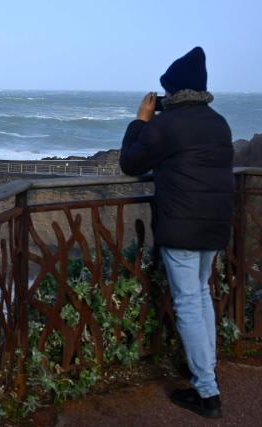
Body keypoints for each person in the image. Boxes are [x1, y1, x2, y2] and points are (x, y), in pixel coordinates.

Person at [119, 46, 234, 419]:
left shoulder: (165, 125)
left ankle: (207, 393)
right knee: (200, 297)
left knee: (188, 303)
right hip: (215, 226)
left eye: (166, 90)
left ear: (174, 92)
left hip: (182, 228)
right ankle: (206, 369)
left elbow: (131, 163)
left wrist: (141, 121)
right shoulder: (218, 122)